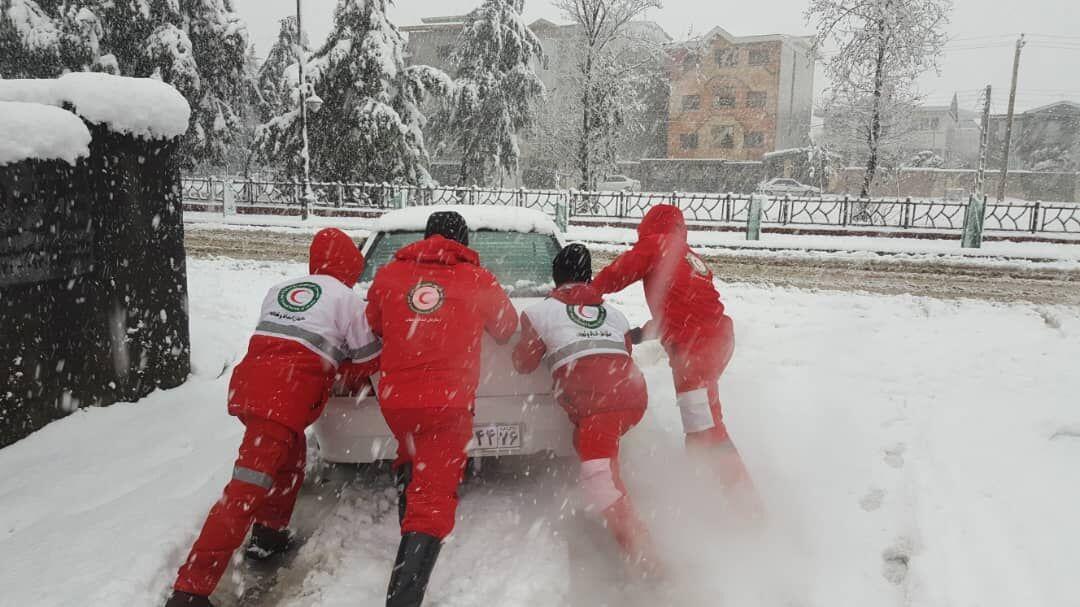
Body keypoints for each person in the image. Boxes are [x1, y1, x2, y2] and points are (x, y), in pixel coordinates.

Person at [165, 228, 380, 607]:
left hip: (253, 388)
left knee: (290, 461)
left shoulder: (283, 288)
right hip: (285, 395)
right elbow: (367, 359)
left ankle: (269, 536)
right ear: (350, 264)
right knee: (244, 492)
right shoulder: (346, 298)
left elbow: (290, 336)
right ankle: (190, 590)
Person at [365, 211, 517, 607]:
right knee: (433, 502)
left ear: (426, 237)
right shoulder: (478, 280)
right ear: (463, 243)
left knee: (410, 454)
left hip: (396, 400)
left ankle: (408, 526)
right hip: (447, 403)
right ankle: (403, 598)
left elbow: (375, 324)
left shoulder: (389, 274)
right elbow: (506, 326)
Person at [512, 244, 661, 577]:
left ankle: (649, 563)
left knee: (599, 481)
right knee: (596, 454)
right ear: (588, 277)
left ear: (556, 277)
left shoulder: (538, 313)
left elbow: (524, 363)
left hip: (597, 405)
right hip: (633, 398)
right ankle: (618, 509)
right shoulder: (616, 314)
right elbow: (619, 354)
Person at [590, 205, 756, 500]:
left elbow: (620, 272)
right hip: (714, 340)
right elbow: (681, 309)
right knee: (702, 421)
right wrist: (640, 334)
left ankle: (743, 503)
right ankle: (701, 480)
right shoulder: (686, 255)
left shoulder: (657, 244)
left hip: (696, 349)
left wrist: (588, 291)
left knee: (706, 428)